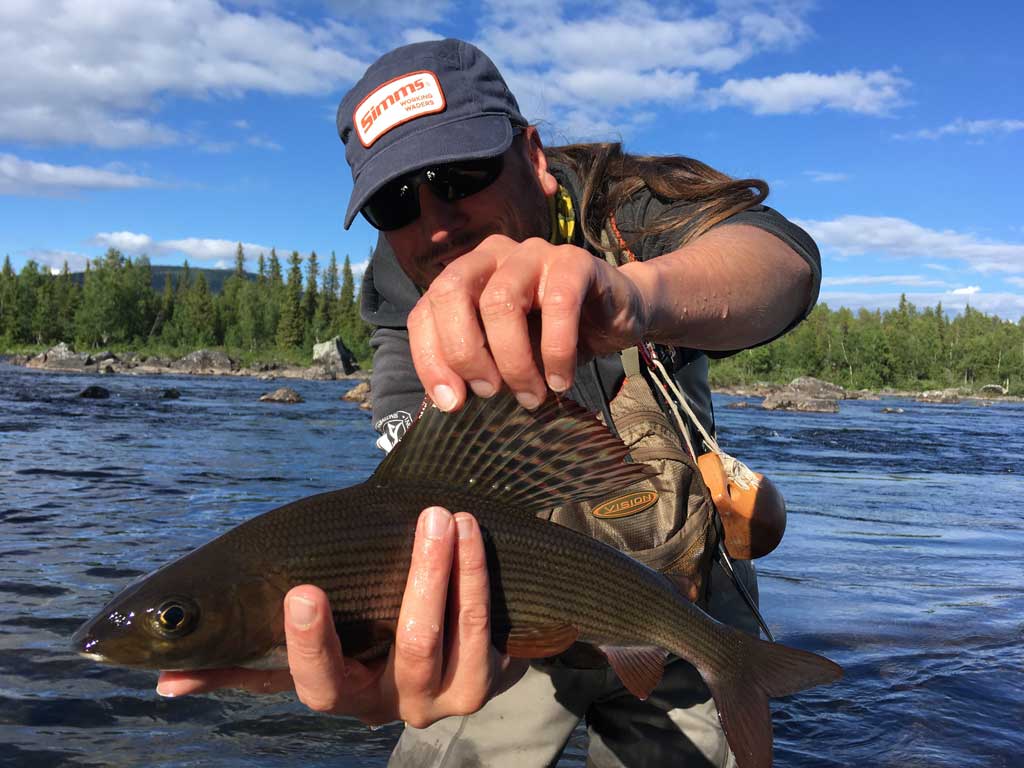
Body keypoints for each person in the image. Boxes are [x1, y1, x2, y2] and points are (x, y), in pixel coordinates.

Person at [158, 38, 820, 767]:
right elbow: (414, 472)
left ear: (531, 155)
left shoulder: (629, 201)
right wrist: (415, 651)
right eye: (393, 200)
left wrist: (638, 296)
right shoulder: (402, 283)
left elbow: (783, 265)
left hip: (679, 593)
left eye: (459, 174)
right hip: (509, 604)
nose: (435, 221)